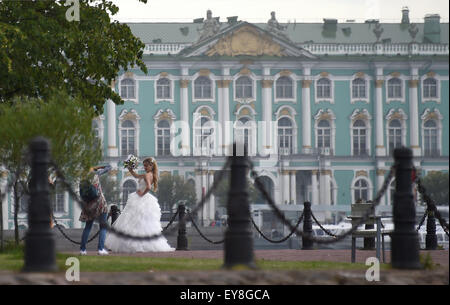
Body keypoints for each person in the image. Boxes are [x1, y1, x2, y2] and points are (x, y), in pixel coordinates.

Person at [104, 157, 175, 253]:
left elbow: (149, 187)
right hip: (144, 199)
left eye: (146, 166)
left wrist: (142, 193)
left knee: (133, 220)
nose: (144, 167)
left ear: (151, 166)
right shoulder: (150, 174)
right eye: (144, 166)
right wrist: (130, 169)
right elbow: (137, 176)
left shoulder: (147, 175)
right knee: (141, 222)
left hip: (140, 198)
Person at [79, 165, 111, 256]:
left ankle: (83, 250)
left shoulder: (82, 178)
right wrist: (97, 167)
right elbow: (109, 167)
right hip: (100, 202)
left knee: (88, 227)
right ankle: (100, 249)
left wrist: (91, 168)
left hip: (88, 205)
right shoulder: (96, 174)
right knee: (103, 227)